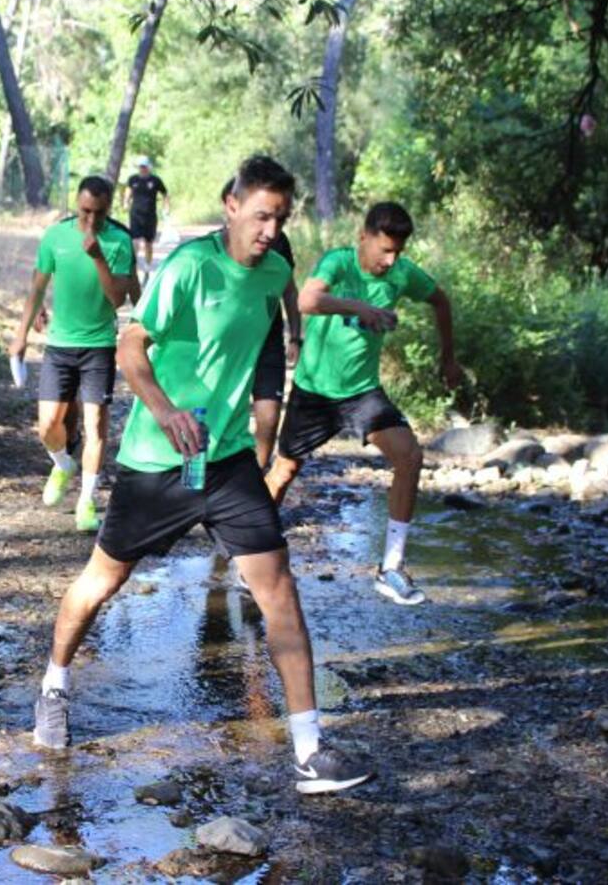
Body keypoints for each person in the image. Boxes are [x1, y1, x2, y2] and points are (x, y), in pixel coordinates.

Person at [32, 156, 372, 795]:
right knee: (102, 582)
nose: (271, 230)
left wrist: (282, 372)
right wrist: (164, 411)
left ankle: (308, 751)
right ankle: (53, 684)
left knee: (279, 591)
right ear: (232, 206)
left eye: (281, 219)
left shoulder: (275, 272)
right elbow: (131, 344)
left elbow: (270, 327)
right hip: (157, 461)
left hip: (228, 462)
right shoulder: (189, 266)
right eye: (262, 215)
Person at [264, 202, 460, 606]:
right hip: (314, 391)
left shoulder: (403, 274)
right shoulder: (339, 263)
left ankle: (391, 567)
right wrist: (361, 308)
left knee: (410, 456)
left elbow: (441, 301)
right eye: (384, 250)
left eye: (398, 252)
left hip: (361, 393)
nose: (391, 261)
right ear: (363, 237)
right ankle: (251, 552)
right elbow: (307, 301)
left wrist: (448, 358)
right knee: (283, 473)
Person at [8, 176, 138, 532]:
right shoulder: (56, 236)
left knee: (96, 426)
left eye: (99, 213)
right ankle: (64, 465)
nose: (92, 219)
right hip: (59, 344)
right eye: (85, 211)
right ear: (76, 205)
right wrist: (20, 336)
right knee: (48, 425)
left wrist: (98, 257)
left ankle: (87, 501)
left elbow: (118, 299)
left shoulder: (119, 241)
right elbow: (37, 286)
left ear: (109, 209)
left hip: (99, 345)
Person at [218, 178, 301, 470]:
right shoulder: (209, 251)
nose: (269, 228)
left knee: (268, 418)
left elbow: (290, 290)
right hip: (228, 346)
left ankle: (254, 477)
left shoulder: (278, 242)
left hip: (268, 341)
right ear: (232, 207)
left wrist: (296, 336)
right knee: (223, 417)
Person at [122, 157, 170, 281]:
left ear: (148, 167)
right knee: (135, 243)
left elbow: (165, 194)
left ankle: (147, 270)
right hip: (135, 215)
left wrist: (166, 207)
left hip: (150, 216)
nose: (142, 169)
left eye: (144, 166)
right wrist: (126, 202)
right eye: (140, 166)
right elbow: (128, 192)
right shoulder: (133, 179)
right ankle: (133, 269)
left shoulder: (155, 180)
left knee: (148, 244)